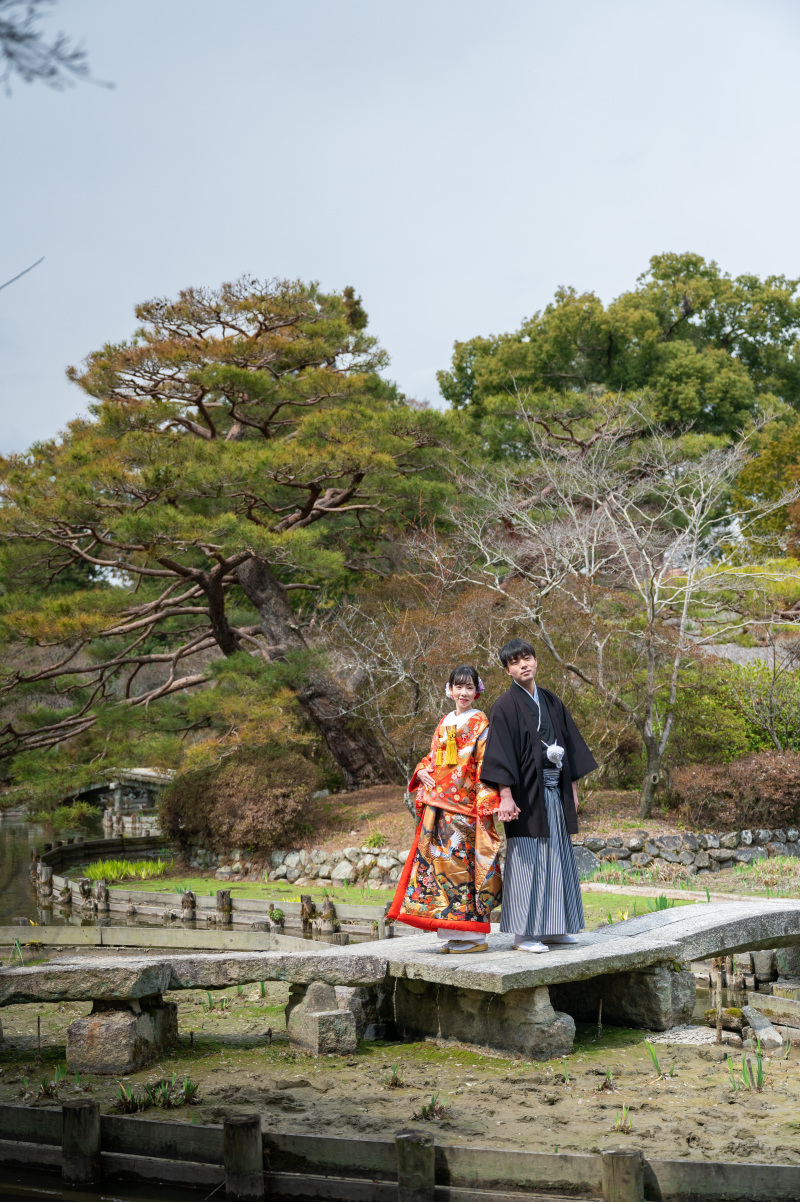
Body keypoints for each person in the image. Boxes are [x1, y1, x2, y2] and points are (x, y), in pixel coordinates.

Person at [480, 637, 597, 953]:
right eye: (515, 661)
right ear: (508, 670)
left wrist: (571, 789)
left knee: (557, 858)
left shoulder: (552, 701)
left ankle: (554, 929)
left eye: (527, 658)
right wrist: (505, 796)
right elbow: (500, 753)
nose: (523, 664)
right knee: (527, 861)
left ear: (535, 660)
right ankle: (523, 934)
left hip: (554, 790)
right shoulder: (505, 706)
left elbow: (571, 747)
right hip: (524, 794)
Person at [387, 665, 502, 954]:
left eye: (469, 687)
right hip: (438, 806)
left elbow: (484, 765)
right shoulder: (445, 721)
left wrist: (484, 803)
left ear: (478, 690)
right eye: (458, 687)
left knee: (461, 868)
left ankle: (473, 936)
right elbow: (433, 757)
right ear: (448, 689)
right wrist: (422, 771)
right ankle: (454, 932)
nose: (463, 693)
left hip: (464, 807)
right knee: (441, 868)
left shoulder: (480, 723)